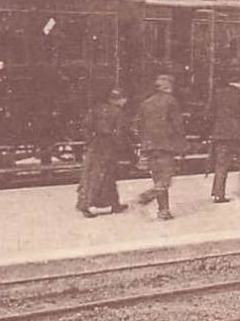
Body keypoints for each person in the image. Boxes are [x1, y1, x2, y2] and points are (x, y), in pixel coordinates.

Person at [133, 73, 184, 220]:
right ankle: (148, 195)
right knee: (166, 179)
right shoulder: (171, 101)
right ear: (168, 87)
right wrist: (182, 145)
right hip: (166, 145)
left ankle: (163, 211)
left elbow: (139, 125)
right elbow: (178, 125)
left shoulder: (146, 102)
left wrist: (145, 142)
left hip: (149, 146)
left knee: (158, 177)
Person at [76, 88, 130, 217]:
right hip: (108, 146)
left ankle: (112, 203)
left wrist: (90, 140)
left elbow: (85, 126)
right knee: (103, 175)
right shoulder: (118, 112)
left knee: (93, 174)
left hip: (95, 145)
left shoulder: (96, 109)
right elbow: (120, 133)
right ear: (120, 100)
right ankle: (89, 206)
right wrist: (122, 149)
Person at [209, 71, 240, 203]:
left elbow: (210, 112)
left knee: (221, 165)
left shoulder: (218, 93)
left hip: (222, 135)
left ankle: (218, 195)